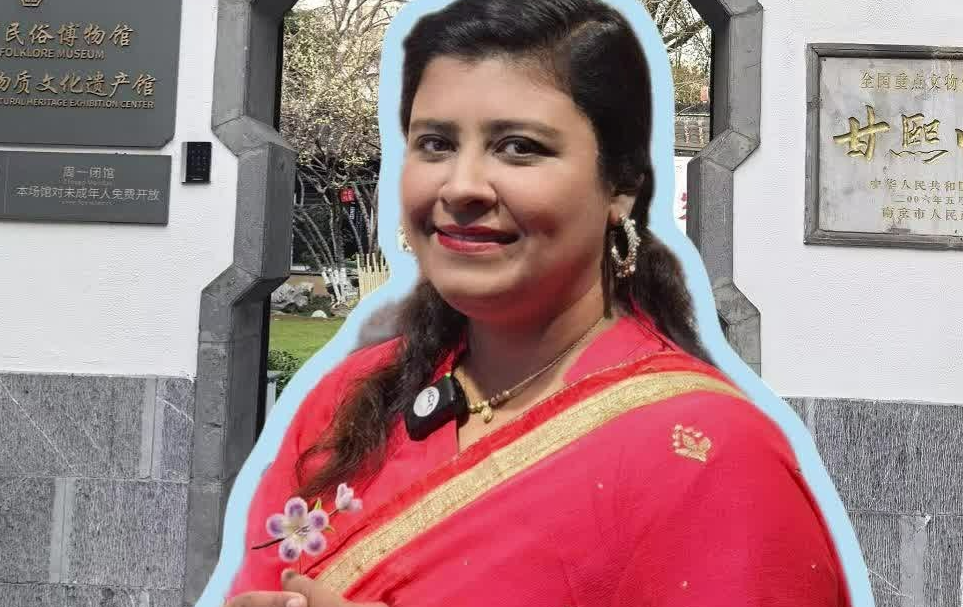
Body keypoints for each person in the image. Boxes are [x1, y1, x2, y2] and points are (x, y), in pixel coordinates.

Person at [224, 0, 851, 605]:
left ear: (621, 187)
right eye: (435, 143)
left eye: (519, 146)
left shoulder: (712, 453)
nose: (462, 187)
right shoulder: (347, 402)